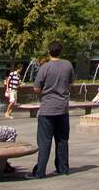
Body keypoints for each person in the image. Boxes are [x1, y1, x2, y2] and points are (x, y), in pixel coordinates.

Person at [31, 42, 75, 178]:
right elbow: (71, 83)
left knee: (44, 141)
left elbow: (37, 88)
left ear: (48, 51)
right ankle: (63, 168)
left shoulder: (45, 67)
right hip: (63, 108)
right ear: (61, 51)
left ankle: (40, 171)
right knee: (62, 139)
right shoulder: (68, 65)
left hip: (47, 109)